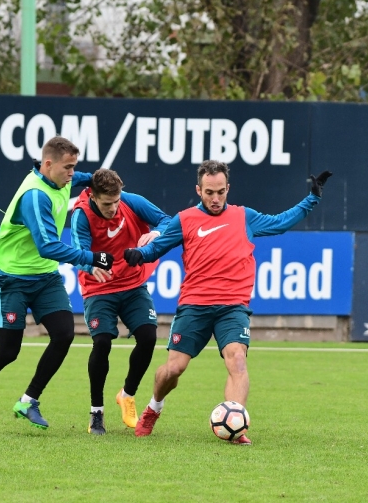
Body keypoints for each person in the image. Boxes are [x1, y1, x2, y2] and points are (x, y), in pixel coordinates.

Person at [123, 160, 332, 445]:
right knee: (174, 369)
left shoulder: (244, 216)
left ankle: (236, 426)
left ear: (228, 188)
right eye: (209, 192)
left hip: (233, 307)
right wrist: (140, 254)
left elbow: (281, 222)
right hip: (194, 305)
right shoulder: (184, 220)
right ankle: (154, 407)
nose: (216, 198)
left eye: (221, 192)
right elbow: (156, 247)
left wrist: (312, 198)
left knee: (238, 360)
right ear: (199, 190)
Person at [0, 136, 115, 433]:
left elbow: (85, 179)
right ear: (48, 164)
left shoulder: (60, 178)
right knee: (7, 352)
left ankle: (28, 400)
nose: (71, 173)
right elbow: (48, 246)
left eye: (74, 167)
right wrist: (92, 258)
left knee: (64, 334)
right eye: (68, 167)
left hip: (45, 277)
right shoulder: (35, 196)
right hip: (12, 277)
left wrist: (97, 179)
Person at [70, 169, 171, 435]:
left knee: (148, 337)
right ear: (92, 195)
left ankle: (127, 394)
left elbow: (168, 221)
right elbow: (79, 250)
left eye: (116, 201)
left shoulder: (129, 200)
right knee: (102, 342)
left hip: (132, 284)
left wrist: (156, 234)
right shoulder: (81, 214)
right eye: (106, 203)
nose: (113, 208)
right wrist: (90, 265)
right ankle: (96, 414)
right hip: (99, 287)